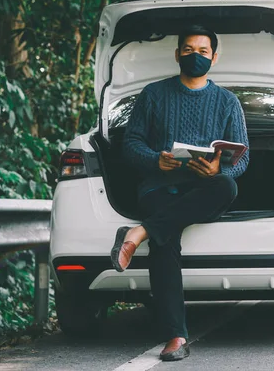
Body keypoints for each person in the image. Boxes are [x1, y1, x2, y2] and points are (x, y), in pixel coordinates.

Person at [110, 25, 249, 362]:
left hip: (205, 188)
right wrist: (156, 161)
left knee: (227, 185)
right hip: (160, 186)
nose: (195, 56)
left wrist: (220, 169)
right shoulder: (153, 94)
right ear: (177, 55)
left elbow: (243, 160)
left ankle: (140, 231)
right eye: (188, 50)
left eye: (202, 51)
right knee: (165, 241)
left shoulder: (228, 102)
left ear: (214, 57)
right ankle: (175, 337)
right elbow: (131, 144)